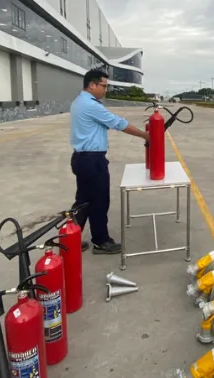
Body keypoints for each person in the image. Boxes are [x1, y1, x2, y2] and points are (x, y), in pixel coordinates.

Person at [69, 69, 149, 254]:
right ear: (92, 85)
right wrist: (145, 135)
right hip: (91, 160)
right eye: (103, 86)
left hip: (83, 158)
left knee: (83, 201)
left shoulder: (79, 101)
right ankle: (101, 241)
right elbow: (117, 123)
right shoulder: (91, 105)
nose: (106, 90)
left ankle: (70, 238)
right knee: (98, 201)